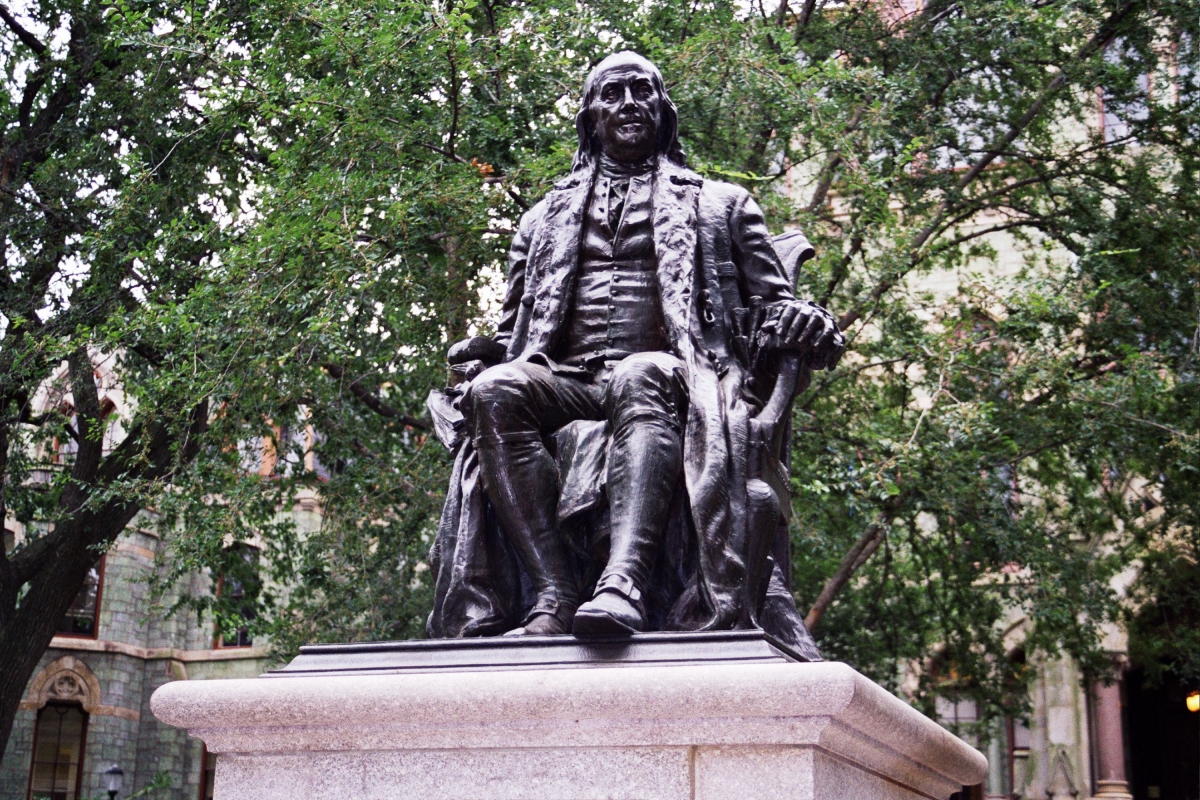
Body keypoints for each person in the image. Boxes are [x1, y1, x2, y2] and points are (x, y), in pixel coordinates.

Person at [428, 51, 843, 643]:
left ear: (663, 111)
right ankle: (554, 594)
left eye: (642, 92)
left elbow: (773, 305)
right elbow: (514, 328)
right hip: (566, 377)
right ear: (590, 117)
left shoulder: (719, 204)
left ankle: (622, 584)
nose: (629, 104)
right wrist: (482, 354)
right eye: (613, 94)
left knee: (640, 372)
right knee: (496, 391)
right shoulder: (541, 219)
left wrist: (807, 321)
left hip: (675, 373)